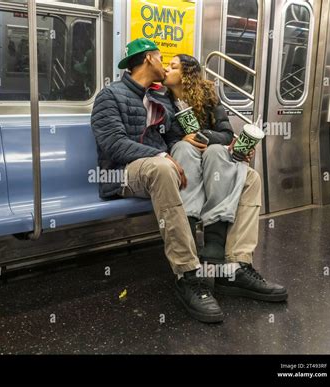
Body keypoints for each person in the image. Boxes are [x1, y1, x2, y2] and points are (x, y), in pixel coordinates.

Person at [91, 38, 224, 323]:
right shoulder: (110, 96)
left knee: (240, 174)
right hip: (122, 173)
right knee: (163, 169)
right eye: (161, 58)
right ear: (149, 60)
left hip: (158, 168)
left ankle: (232, 265)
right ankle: (188, 274)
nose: (164, 64)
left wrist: (197, 144)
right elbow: (113, 144)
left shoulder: (159, 98)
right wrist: (162, 155)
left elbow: (173, 138)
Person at [162, 54, 287, 302]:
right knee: (185, 149)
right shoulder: (160, 100)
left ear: (187, 74)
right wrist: (181, 140)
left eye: (173, 66)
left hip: (212, 162)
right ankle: (190, 260)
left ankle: (232, 264)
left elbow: (226, 133)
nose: (167, 69)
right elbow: (160, 137)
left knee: (248, 176)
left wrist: (204, 137)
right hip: (183, 165)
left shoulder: (208, 97)